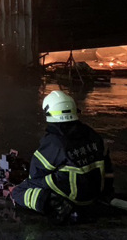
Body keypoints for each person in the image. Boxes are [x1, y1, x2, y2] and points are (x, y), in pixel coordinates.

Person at [10, 89, 114, 223]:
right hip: (95, 195)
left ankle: (57, 206)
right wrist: (106, 194)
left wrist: (21, 184)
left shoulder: (55, 142)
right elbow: (108, 169)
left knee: (20, 191)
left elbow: (36, 174)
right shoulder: (92, 134)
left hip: (73, 198)